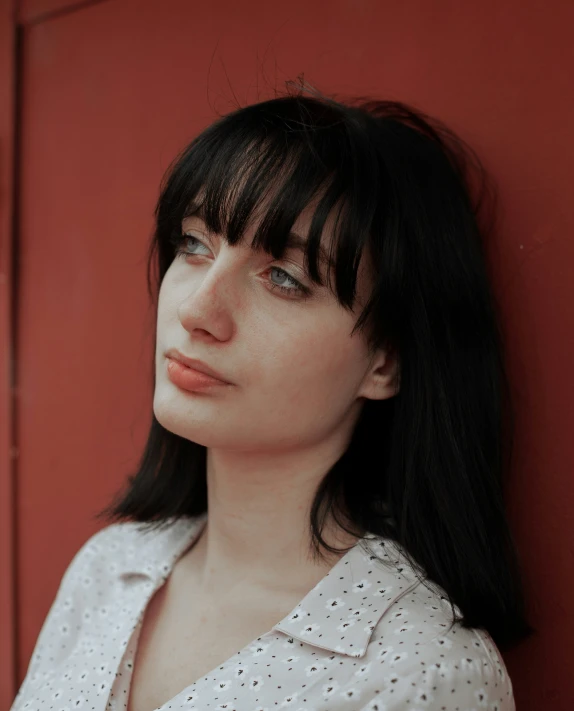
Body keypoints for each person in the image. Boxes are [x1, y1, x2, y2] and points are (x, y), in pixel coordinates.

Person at [10, 82, 533, 711]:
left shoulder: (423, 668)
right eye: (195, 245)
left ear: (385, 360)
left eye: (283, 278)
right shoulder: (111, 568)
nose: (198, 310)